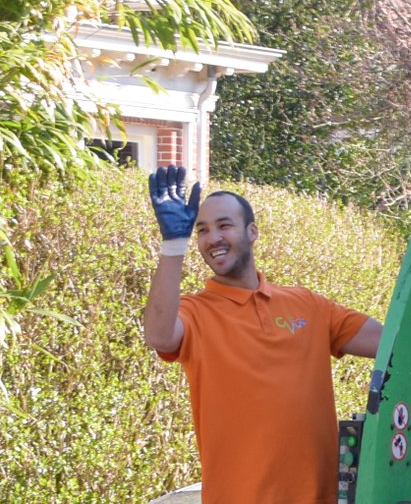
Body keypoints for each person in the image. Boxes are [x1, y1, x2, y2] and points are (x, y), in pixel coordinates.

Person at [143, 165, 382, 504]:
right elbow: (159, 335)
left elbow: (395, 346)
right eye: (202, 230)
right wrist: (172, 245)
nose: (213, 238)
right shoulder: (196, 312)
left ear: (252, 231)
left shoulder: (308, 305)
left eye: (224, 225)